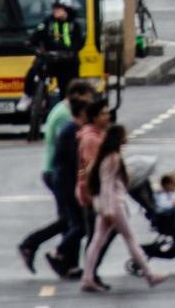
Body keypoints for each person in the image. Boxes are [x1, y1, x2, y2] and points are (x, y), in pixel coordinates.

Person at [19, 79, 97, 274]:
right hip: (59, 174)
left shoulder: (65, 111)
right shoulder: (66, 117)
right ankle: (36, 246)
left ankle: (67, 263)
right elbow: (72, 153)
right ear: (78, 95)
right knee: (75, 221)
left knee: (71, 220)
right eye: (88, 97)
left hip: (60, 173)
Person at [80, 124, 168, 292]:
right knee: (130, 240)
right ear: (118, 138)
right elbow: (106, 185)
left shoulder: (105, 156)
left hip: (108, 204)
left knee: (97, 241)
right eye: (124, 134)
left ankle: (88, 277)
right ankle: (149, 275)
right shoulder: (113, 158)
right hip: (114, 205)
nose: (127, 137)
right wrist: (108, 211)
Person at [46, 96, 90, 278]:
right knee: (80, 225)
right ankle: (60, 252)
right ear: (81, 112)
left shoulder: (74, 129)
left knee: (77, 223)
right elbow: (75, 161)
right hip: (66, 183)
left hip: (66, 181)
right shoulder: (72, 130)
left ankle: (70, 263)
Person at [19, 0, 85, 113]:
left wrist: (70, 52)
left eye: (58, 8)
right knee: (33, 70)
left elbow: (79, 42)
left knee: (69, 85)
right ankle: (28, 96)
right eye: (54, 8)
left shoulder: (75, 25)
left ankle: (68, 108)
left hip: (66, 61)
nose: (55, 11)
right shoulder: (48, 22)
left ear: (67, 10)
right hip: (49, 59)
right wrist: (30, 43)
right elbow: (36, 35)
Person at [76, 99, 116, 288]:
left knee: (99, 234)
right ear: (94, 117)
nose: (108, 116)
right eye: (104, 113)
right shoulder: (91, 138)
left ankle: (91, 273)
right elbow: (94, 168)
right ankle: (90, 273)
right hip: (94, 193)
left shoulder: (100, 135)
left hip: (99, 192)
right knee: (98, 234)